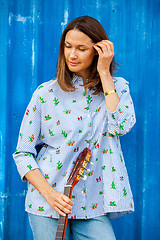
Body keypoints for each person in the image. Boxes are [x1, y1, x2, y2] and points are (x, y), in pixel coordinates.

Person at [13, 16, 136, 240]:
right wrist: (49, 194)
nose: (72, 54)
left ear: (98, 51)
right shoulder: (46, 93)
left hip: (92, 202)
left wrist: (105, 73)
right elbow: (23, 153)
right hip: (48, 201)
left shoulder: (117, 88)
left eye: (81, 48)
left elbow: (122, 125)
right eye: (68, 46)